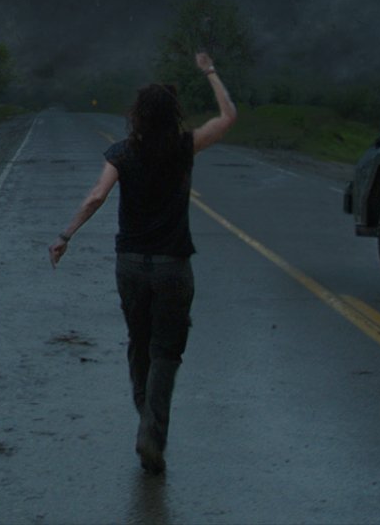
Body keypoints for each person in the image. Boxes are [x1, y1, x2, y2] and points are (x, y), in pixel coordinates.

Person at [48, 51, 237, 474]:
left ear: (137, 116)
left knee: (139, 341)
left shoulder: (121, 152)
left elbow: (96, 196)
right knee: (167, 350)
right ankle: (152, 432)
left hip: (130, 264)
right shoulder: (185, 147)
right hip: (173, 266)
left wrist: (66, 235)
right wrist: (210, 71)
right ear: (173, 115)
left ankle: (144, 415)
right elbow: (228, 116)